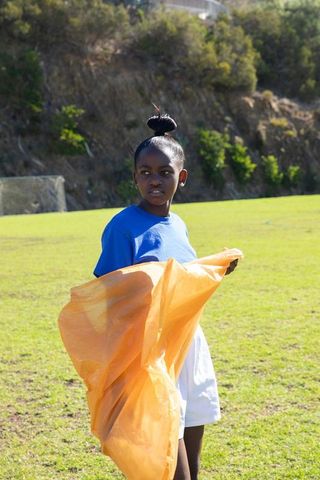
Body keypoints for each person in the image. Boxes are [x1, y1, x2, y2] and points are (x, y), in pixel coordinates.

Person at [93, 110, 238, 480]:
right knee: (171, 467)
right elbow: (113, 296)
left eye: (164, 172)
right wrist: (126, 369)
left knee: (193, 454)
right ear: (134, 177)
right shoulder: (122, 227)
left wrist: (215, 268)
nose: (154, 181)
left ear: (182, 177)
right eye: (145, 173)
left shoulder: (179, 224)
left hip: (189, 346)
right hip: (151, 353)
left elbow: (180, 279)